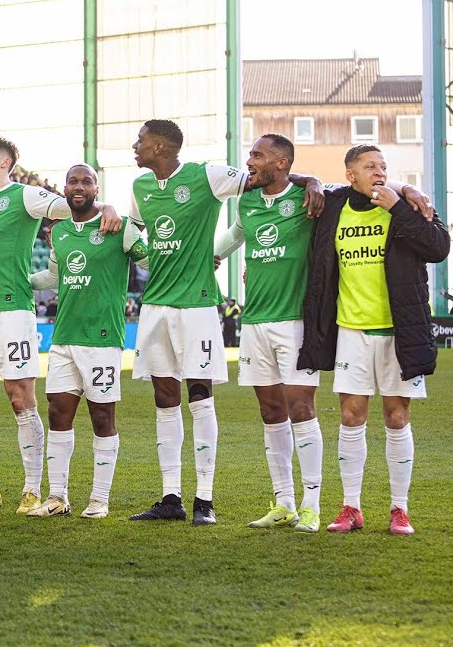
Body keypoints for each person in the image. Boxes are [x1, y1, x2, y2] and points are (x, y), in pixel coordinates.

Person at [127, 119, 323, 525]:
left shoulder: (209, 175)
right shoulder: (139, 188)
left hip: (199, 306)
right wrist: (128, 234)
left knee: (200, 397)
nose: (135, 145)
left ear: (160, 147)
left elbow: (271, 177)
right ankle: (170, 499)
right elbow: (134, 235)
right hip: (155, 307)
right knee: (164, 399)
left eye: (140, 141)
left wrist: (312, 179)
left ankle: (205, 501)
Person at [0, 133, 119, 513]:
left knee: (20, 400)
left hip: (12, 312)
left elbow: (71, 206)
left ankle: (31, 489)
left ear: (6, 163)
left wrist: (106, 205)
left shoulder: (24, 195)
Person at [298, 145, 449, 536]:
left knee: (397, 417)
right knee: (351, 417)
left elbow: (438, 247)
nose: (379, 172)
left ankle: (400, 510)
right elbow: (306, 186)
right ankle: (351, 507)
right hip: (351, 330)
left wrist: (400, 201)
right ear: (351, 175)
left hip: (399, 331)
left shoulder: (404, 207)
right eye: (370, 167)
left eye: (384, 167)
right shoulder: (334, 207)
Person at [27, 164, 148, 518]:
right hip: (64, 337)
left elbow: (150, 261)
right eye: (73, 181)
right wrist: (16, 279)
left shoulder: (118, 227)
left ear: (97, 189)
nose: (79, 186)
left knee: (101, 416)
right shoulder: (60, 233)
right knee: (58, 413)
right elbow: (52, 276)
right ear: (64, 188)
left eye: (87, 181)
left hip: (102, 338)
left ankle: (99, 499)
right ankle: (58, 497)